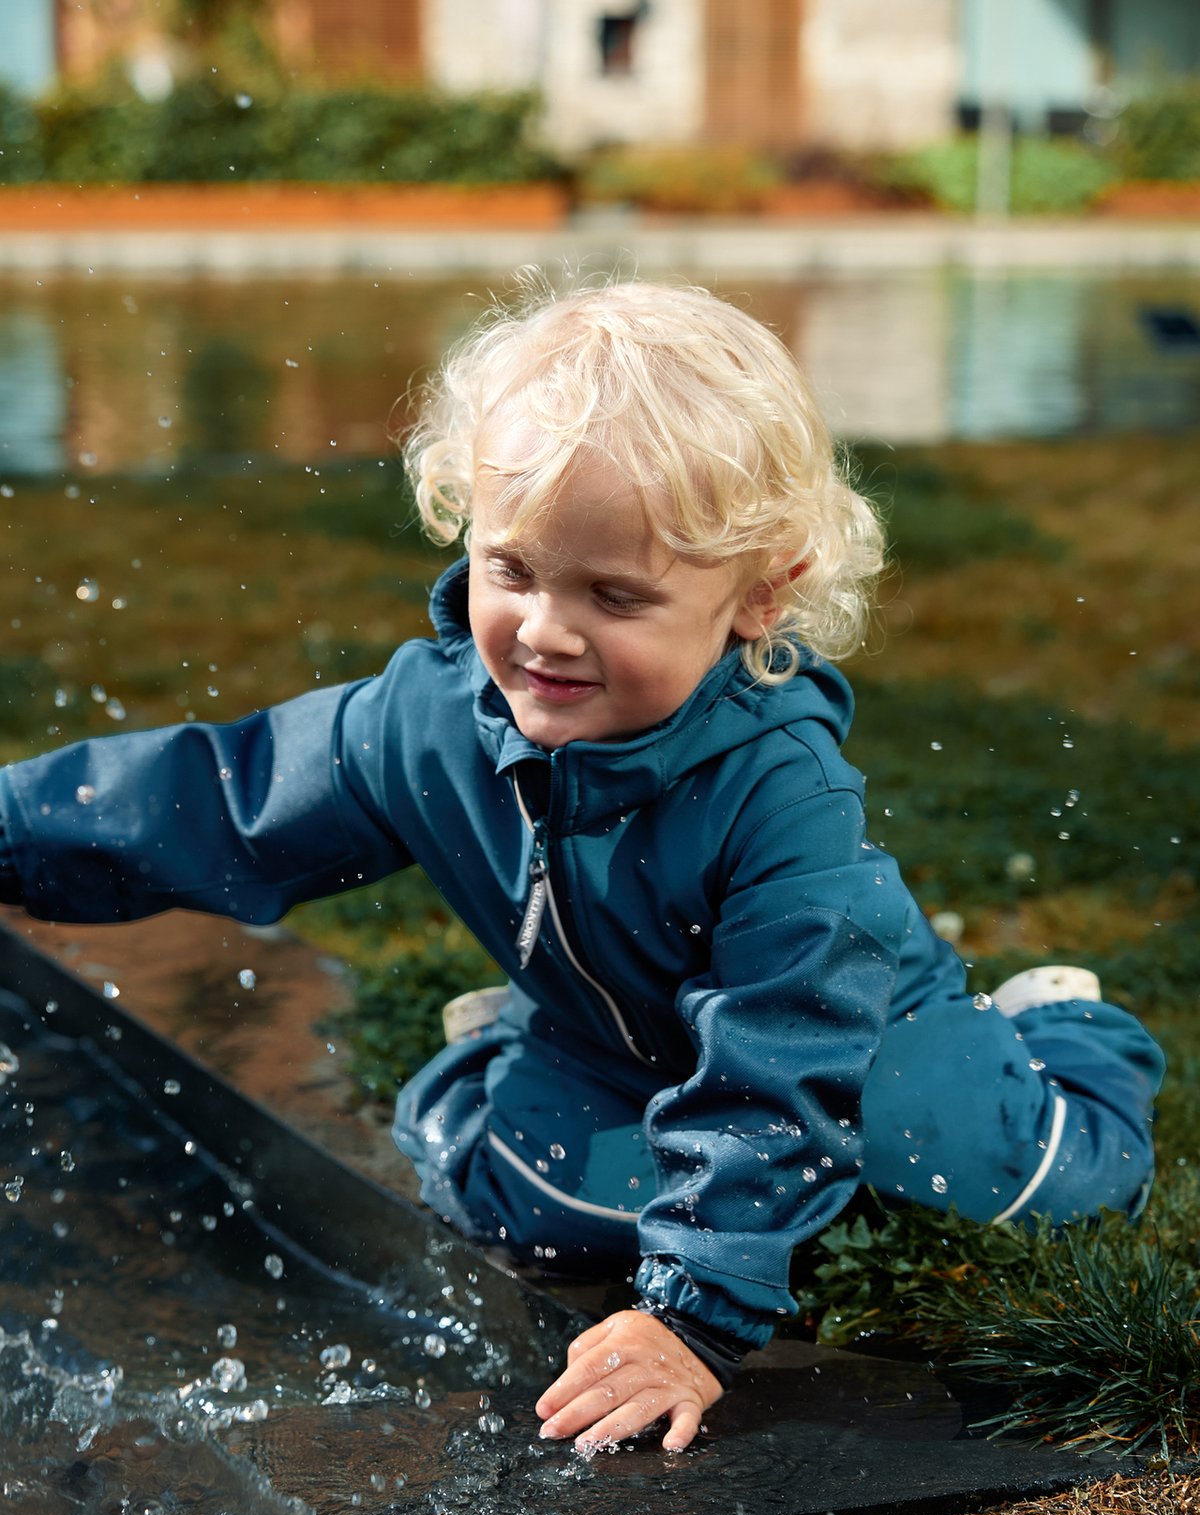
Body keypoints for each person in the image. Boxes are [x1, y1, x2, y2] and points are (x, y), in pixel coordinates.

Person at [0, 279, 1164, 1455]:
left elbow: (787, 1056)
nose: (547, 630)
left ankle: (1066, 1034)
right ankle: (506, 1043)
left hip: (861, 1041)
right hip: (610, 1040)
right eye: (513, 570)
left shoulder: (779, 800)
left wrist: (691, 1320)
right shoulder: (428, 721)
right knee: (532, 1211)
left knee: (1020, 1188)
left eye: (614, 595)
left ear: (760, 594)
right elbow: (224, 800)